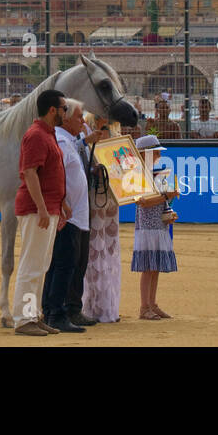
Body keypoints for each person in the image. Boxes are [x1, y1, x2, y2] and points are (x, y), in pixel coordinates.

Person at [11, 88, 69, 336]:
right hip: (37, 209)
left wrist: (60, 205)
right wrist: (44, 208)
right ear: (52, 110)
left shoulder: (46, 133)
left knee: (40, 265)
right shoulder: (36, 135)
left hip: (46, 208)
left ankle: (33, 315)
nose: (66, 112)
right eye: (64, 108)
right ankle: (24, 319)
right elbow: (30, 173)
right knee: (32, 265)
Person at [41, 102, 91, 333]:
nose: (83, 121)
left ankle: (58, 311)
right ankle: (56, 313)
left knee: (70, 265)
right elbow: (53, 175)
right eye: (80, 117)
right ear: (67, 118)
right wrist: (61, 203)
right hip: (67, 216)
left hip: (77, 215)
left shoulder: (69, 141)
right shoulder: (60, 141)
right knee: (63, 266)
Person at [131, 134, 178, 320]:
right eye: (155, 151)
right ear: (146, 153)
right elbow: (143, 202)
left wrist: (167, 203)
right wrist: (167, 196)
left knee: (154, 266)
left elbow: (149, 201)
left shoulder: (149, 172)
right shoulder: (141, 173)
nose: (158, 154)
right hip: (149, 225)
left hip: (156, 223)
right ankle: (145, 306)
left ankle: (151, 304)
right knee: (150, 267)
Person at [80, 123, 122, 323]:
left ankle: (107, 306)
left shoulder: (118, 147)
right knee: (94, 254)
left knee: (109, 253)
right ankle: (91, 306)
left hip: (111, 204)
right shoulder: (86, 147)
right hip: (95, 203)